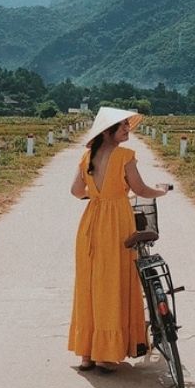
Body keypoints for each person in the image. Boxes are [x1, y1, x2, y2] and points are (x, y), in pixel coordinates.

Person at [68, 106, 170, 372]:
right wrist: (160, 192)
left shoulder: (87, 156)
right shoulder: (125, 156)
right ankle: (106, 354)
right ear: (109, 131)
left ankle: (88, 354)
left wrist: (98, 196)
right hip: (116, 225)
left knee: (90, 284)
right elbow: (139, 189)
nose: (128, 130)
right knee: (112, 283)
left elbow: (77, 191)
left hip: (91, 223)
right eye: (123, 126)